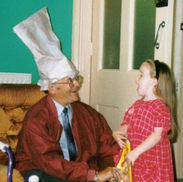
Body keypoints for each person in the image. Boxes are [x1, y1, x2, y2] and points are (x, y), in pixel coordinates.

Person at [13, 7, 122, 182]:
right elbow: (49, 161)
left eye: (76, 78)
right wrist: (92, 176)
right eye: (70, 80)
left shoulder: (90, 115)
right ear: (52, 88)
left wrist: (118, 167)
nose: (77, 84)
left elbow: (109, 147)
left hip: (78, 172)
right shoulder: (36, 118)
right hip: (42, 170)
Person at [113, 59, 178, 182]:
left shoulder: (160, 107)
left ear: (154, 81)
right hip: (138, 157)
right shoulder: (137, 105)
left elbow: (157, 135)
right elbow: (128, 124)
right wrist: (117, 132)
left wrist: (136, 152)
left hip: (152, 160)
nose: (136, 79)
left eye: (141, 75)